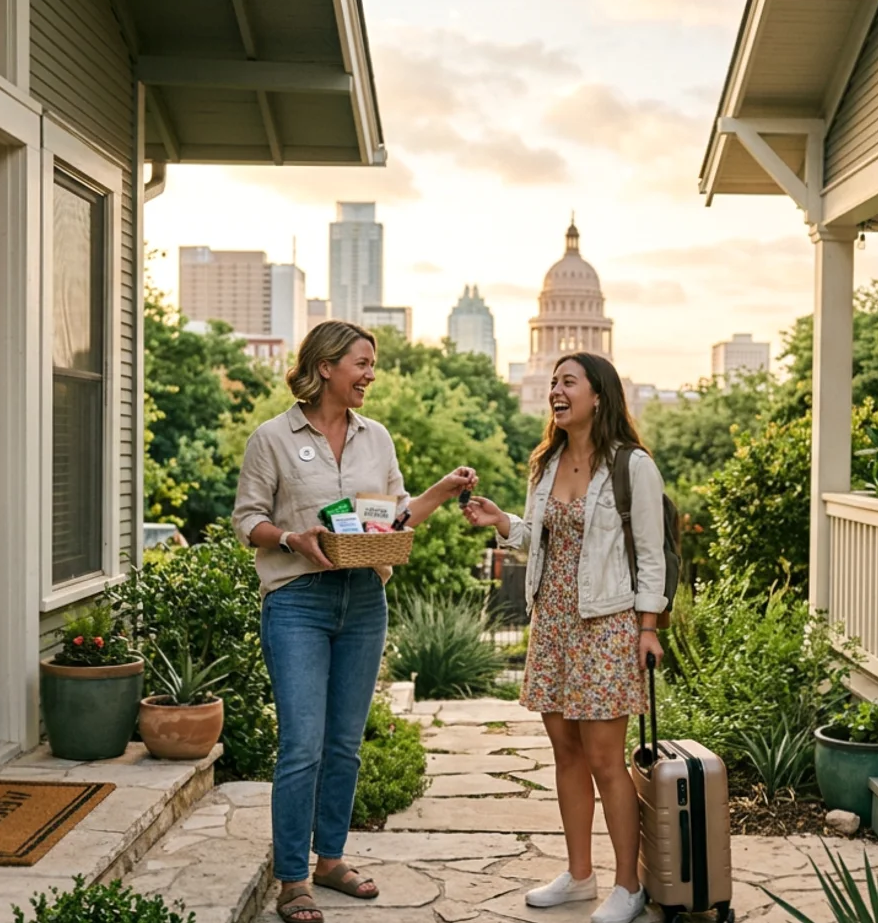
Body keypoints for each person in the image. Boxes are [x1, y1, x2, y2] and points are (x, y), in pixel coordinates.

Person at [233, 320, 477, 923]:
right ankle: (293, 878)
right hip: (297, 600)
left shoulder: (377, 438)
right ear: (325, 367)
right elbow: (247, 520)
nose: (371, 375)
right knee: (301, 746)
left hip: (365, 598)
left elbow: (393, 518)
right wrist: (292, 537)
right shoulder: (272, 438)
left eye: (372, 365)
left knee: (344, 744)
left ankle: (331, 860)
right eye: (362, 364)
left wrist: (443, 490)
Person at [463, 351, 667, 923]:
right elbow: (540, 536)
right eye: (553, 382)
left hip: (606, 623)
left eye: (568, 382)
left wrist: (648, 628)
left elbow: (651, 555)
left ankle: (628, 886)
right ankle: (580, 876)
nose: (556, 390)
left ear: (598, 395)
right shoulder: (546, 462)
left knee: (605, 759)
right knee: (566, 753)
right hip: (552, 621)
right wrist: (503, 522)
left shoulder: (632, 466)